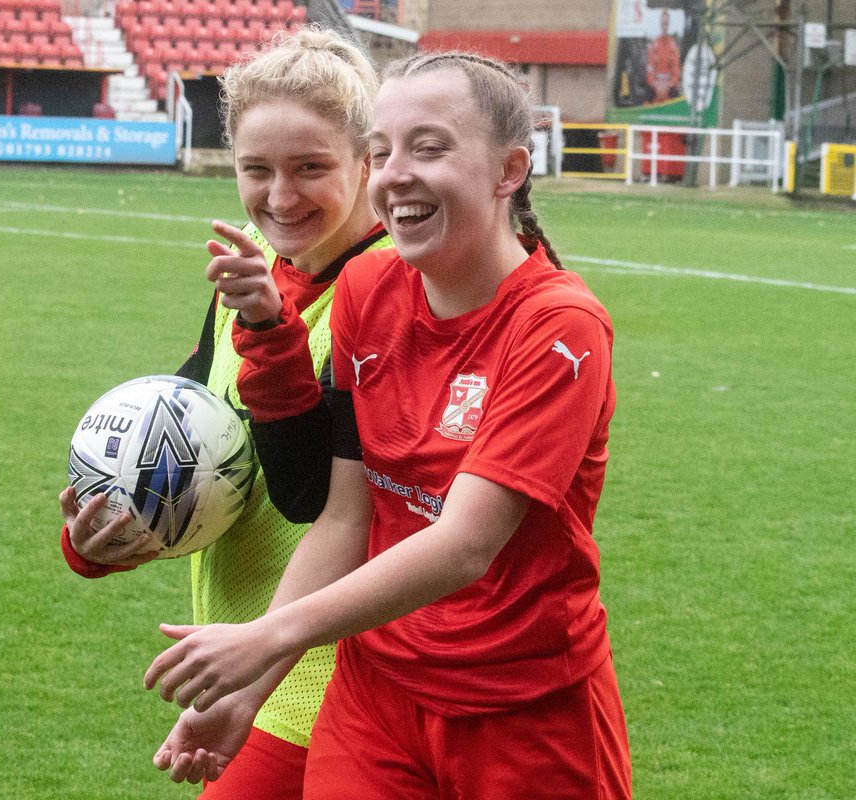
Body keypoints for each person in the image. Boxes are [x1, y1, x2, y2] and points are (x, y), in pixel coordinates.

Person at [144, 50, 632, 800]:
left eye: (429, 148)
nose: (394, 174)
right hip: (375, 701)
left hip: (526, 709)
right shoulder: (371, 287)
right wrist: (251, 692)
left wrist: (265, 638)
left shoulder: (559, 327)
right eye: (381, 152)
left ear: (509, 171)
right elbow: (344, 517)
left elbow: (465, 544)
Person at [59, 26, 391, 798]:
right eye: (256, 169)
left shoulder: (387, 290)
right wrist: (112, 531)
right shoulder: (250, 258)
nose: (280, 196)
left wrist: (272, 330)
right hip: (250, 650)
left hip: (323, 662)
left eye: (312, 168)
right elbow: (204, 428)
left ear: (367, 160)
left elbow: (309, 491)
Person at [646, 9, 681, 102]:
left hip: (669, 87)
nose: (664, 26)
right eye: (663, 23)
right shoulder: (654, 45)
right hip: (655, 86)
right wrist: (655, 84)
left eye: (666, 23)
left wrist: (669, 85)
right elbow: (650, 69)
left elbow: (676, 71)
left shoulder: (674, 46)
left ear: (669, 25)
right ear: (660, 24)